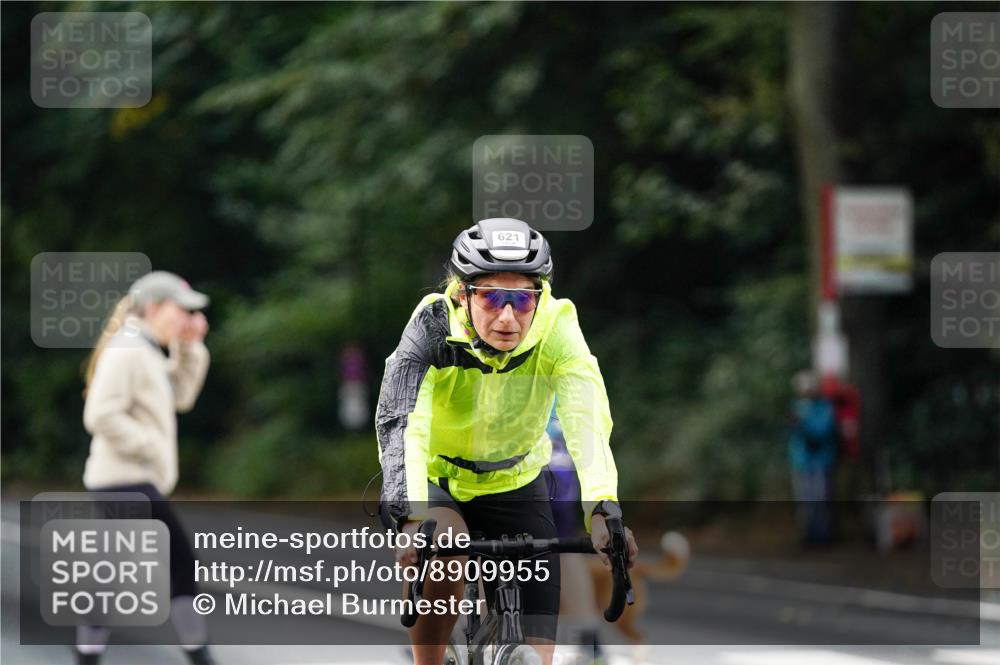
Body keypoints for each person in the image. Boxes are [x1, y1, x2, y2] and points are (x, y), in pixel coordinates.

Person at [376, 218, 638, 665]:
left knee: (537, 654)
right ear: (462, 294)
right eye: (492, 297)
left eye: (522, 300)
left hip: (516, 481)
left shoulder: (557, 328)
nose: (508, 317)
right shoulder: (431, 328)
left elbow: (587, 420)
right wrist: (410, 518)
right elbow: (402, 422)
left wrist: (602, 509)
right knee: (445, 552)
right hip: (438, 479)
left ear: (539, 296)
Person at [76, 271, 215, 665]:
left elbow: (181, 396)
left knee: (115, 574)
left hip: (126, 482)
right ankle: (199, 655)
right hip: (125, 481)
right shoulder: (129, 350)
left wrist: (189, 346)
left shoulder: (148, 351)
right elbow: (99, 414)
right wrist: (149, 446)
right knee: (180, 563)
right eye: (181, 309)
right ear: (154, 307)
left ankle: (86, 656)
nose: (188, 317)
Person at [788, 369, 838, 546]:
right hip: (802, 461)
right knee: (805, 501)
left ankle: (824, 536)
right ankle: (807, 535)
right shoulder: (797, 406)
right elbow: (793, 435)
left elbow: (822, 431)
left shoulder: (824, 408)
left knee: (821, 499)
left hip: (821, 461)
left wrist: (803, 425)